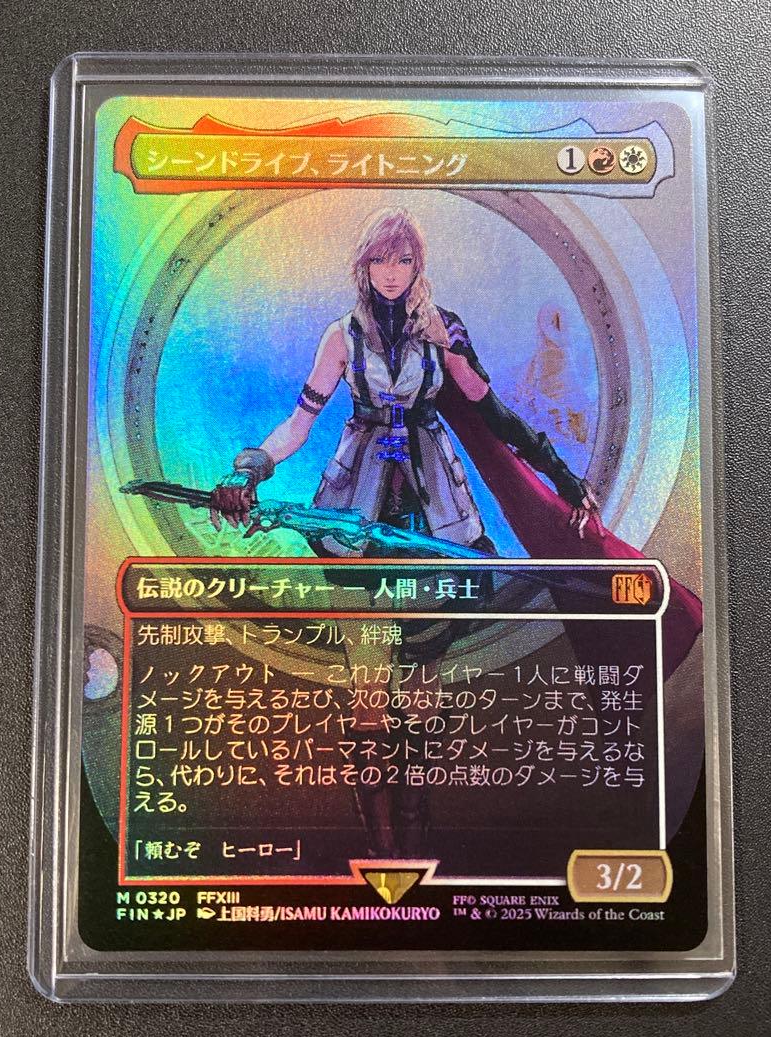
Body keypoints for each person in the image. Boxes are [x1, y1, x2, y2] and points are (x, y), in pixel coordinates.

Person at [209, 206, 603, 858]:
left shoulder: (443, 329)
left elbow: (492, 412)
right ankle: (380, 848)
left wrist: (560, 475)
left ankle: (415, 835)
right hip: (356, 514)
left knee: (421, 690)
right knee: (368, 688)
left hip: (434, 511)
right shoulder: (342, 336)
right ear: (363, 266)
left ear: (418, 264)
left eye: (403, 259)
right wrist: (248, 469)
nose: (391, 272)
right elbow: (300, 422)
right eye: (380, 259)